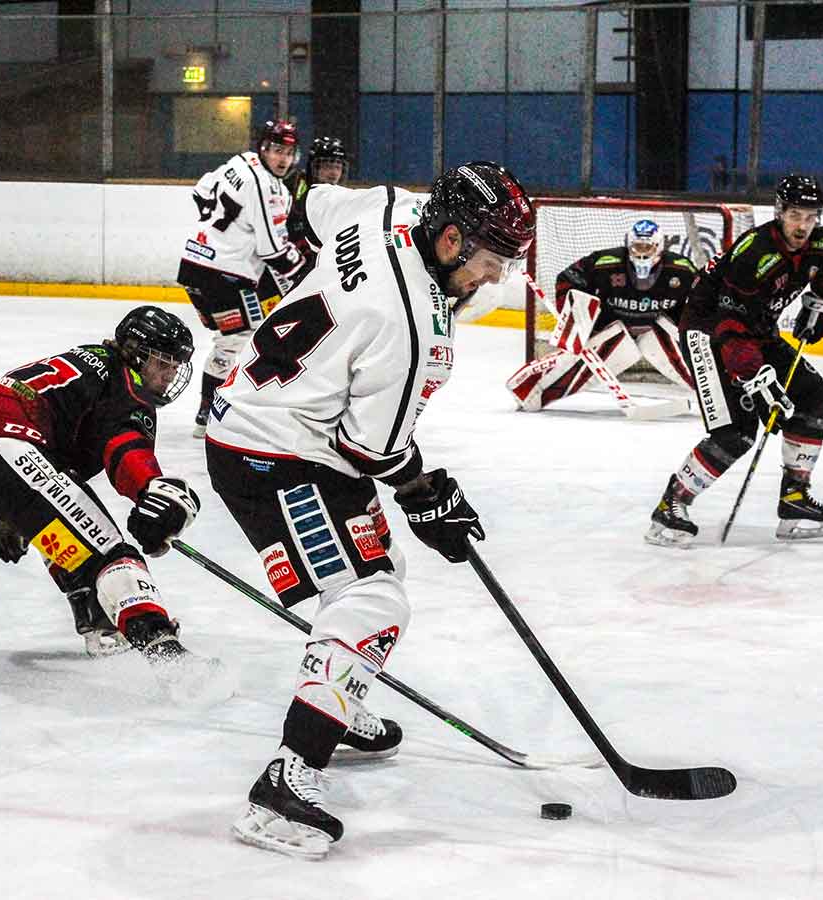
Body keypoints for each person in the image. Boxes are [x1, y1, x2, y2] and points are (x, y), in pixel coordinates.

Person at [205, 162, 535, 858]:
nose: (495, 279)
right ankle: (287, 782)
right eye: (490, 261)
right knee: (373, 600)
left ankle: (335, 701)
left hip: (275, 423)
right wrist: (425, 492)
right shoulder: (414, 329)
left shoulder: (384, 205)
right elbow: (371, 450)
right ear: (449, 240)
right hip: (277, 453)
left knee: (377, 569)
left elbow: (309, 205)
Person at [0, 305, 208, 661]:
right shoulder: (123, 382)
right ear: (135, 353)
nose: (169, 376)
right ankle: (164, 650)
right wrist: (150, 490)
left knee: (64, 524)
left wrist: (9, 509)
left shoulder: (87, 363)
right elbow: (125, 445)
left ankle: (100, 619)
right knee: (110, 552)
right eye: (163, 364)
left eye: (175, 367)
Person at [645, 174, 823, 547]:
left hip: (757, 330)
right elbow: (730, 326)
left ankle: (794, 499)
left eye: (810, 216)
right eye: (795, 215)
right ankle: (670, 504)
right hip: (709, 332)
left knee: (816, 398)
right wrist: (755, 378)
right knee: (735, 433)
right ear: (780, 212)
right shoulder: (754, 253)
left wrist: (818, 308)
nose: (803, 225)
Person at [177, 119, 309, 440]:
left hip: (193, 264)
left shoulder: (238, 162)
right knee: (239, 339)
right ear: (264, 149)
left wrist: (222, 234)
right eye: (277, 150)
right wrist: (306, 274)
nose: (283, 159)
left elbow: (201, 192)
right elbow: (272, 249)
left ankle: (217, 404)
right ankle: (209, 411)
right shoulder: (267, 186)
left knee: (235, 336)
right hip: (225, 275)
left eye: (289, 153)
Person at [505, 219, 698, 411]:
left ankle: (716, 398)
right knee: (583, 362)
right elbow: (568, 278)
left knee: (685, 356)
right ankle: (529, 392)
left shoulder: (682, 269)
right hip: (610, 330)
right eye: (637, 247)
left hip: (658, 331)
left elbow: (701, 301)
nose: (641, 253)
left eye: (647, 247)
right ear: (628, 245)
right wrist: (575, 315)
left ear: (659, 247)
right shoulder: (606, 263)